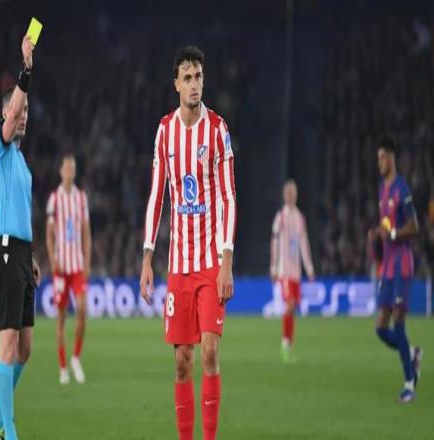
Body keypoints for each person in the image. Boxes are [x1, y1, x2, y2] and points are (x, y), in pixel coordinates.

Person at [140, 46, 236, 440]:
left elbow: (228, 197)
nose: (194, 84)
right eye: (187, 78)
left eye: (198, 77)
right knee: (182, 360)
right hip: (178, 266)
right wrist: (147, 258)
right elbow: (156, 197)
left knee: (210, 351)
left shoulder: (218, 130)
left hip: (211, 262)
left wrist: (227, 260)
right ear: (176, 84)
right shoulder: (165, 131)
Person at [0, 35, 40, 440]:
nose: (23, 117)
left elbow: (21, 212)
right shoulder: (0, 148)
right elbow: (15, 104)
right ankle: (7, 431)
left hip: (21, 253)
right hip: (4, 253)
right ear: (6, 115)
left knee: (25, 348)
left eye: (26, 113)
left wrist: (31, 255)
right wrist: (26, 69)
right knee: (7, 346)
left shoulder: (20, 161)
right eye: (17, 112)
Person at [368, 136, 423, 403]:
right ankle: (411, 353)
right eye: (378, 158)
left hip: (402, 264)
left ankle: (409, 383)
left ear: (391, 158)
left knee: (398, 324)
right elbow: (386, 224)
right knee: (381, 328)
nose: (379, 162)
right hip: (387, 267)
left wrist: (391, 235)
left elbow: (414, 226)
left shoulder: (402, 188)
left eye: (382, 158)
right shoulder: (382, 189)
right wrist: (377, 233)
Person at [46, 154, 91, 384]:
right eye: (66, 169)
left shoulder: (81, 198)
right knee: (62, 317)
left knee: (82, 309)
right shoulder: (54, 199)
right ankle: (63, 367)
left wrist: (87, 262)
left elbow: (86, 232)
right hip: (61, 267)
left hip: (77, 265)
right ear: (61, 171)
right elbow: (49, 234)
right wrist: (52, 261)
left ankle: (75, 357)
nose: (69, 173)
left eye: (72, 169)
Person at [270, 180, 314, 364]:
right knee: (289, 304)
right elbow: (275, 242)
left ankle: (288, 344)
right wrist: (273, 267)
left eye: (292, 192)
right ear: (284, 195)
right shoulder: (280, 216)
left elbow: (304, 244)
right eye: (287, 192)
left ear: (296, 195)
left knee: (293, 307)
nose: (290, 195)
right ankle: (284, 345)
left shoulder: (300, 218)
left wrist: (309, 267)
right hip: (284, 270)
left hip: (296, 272)